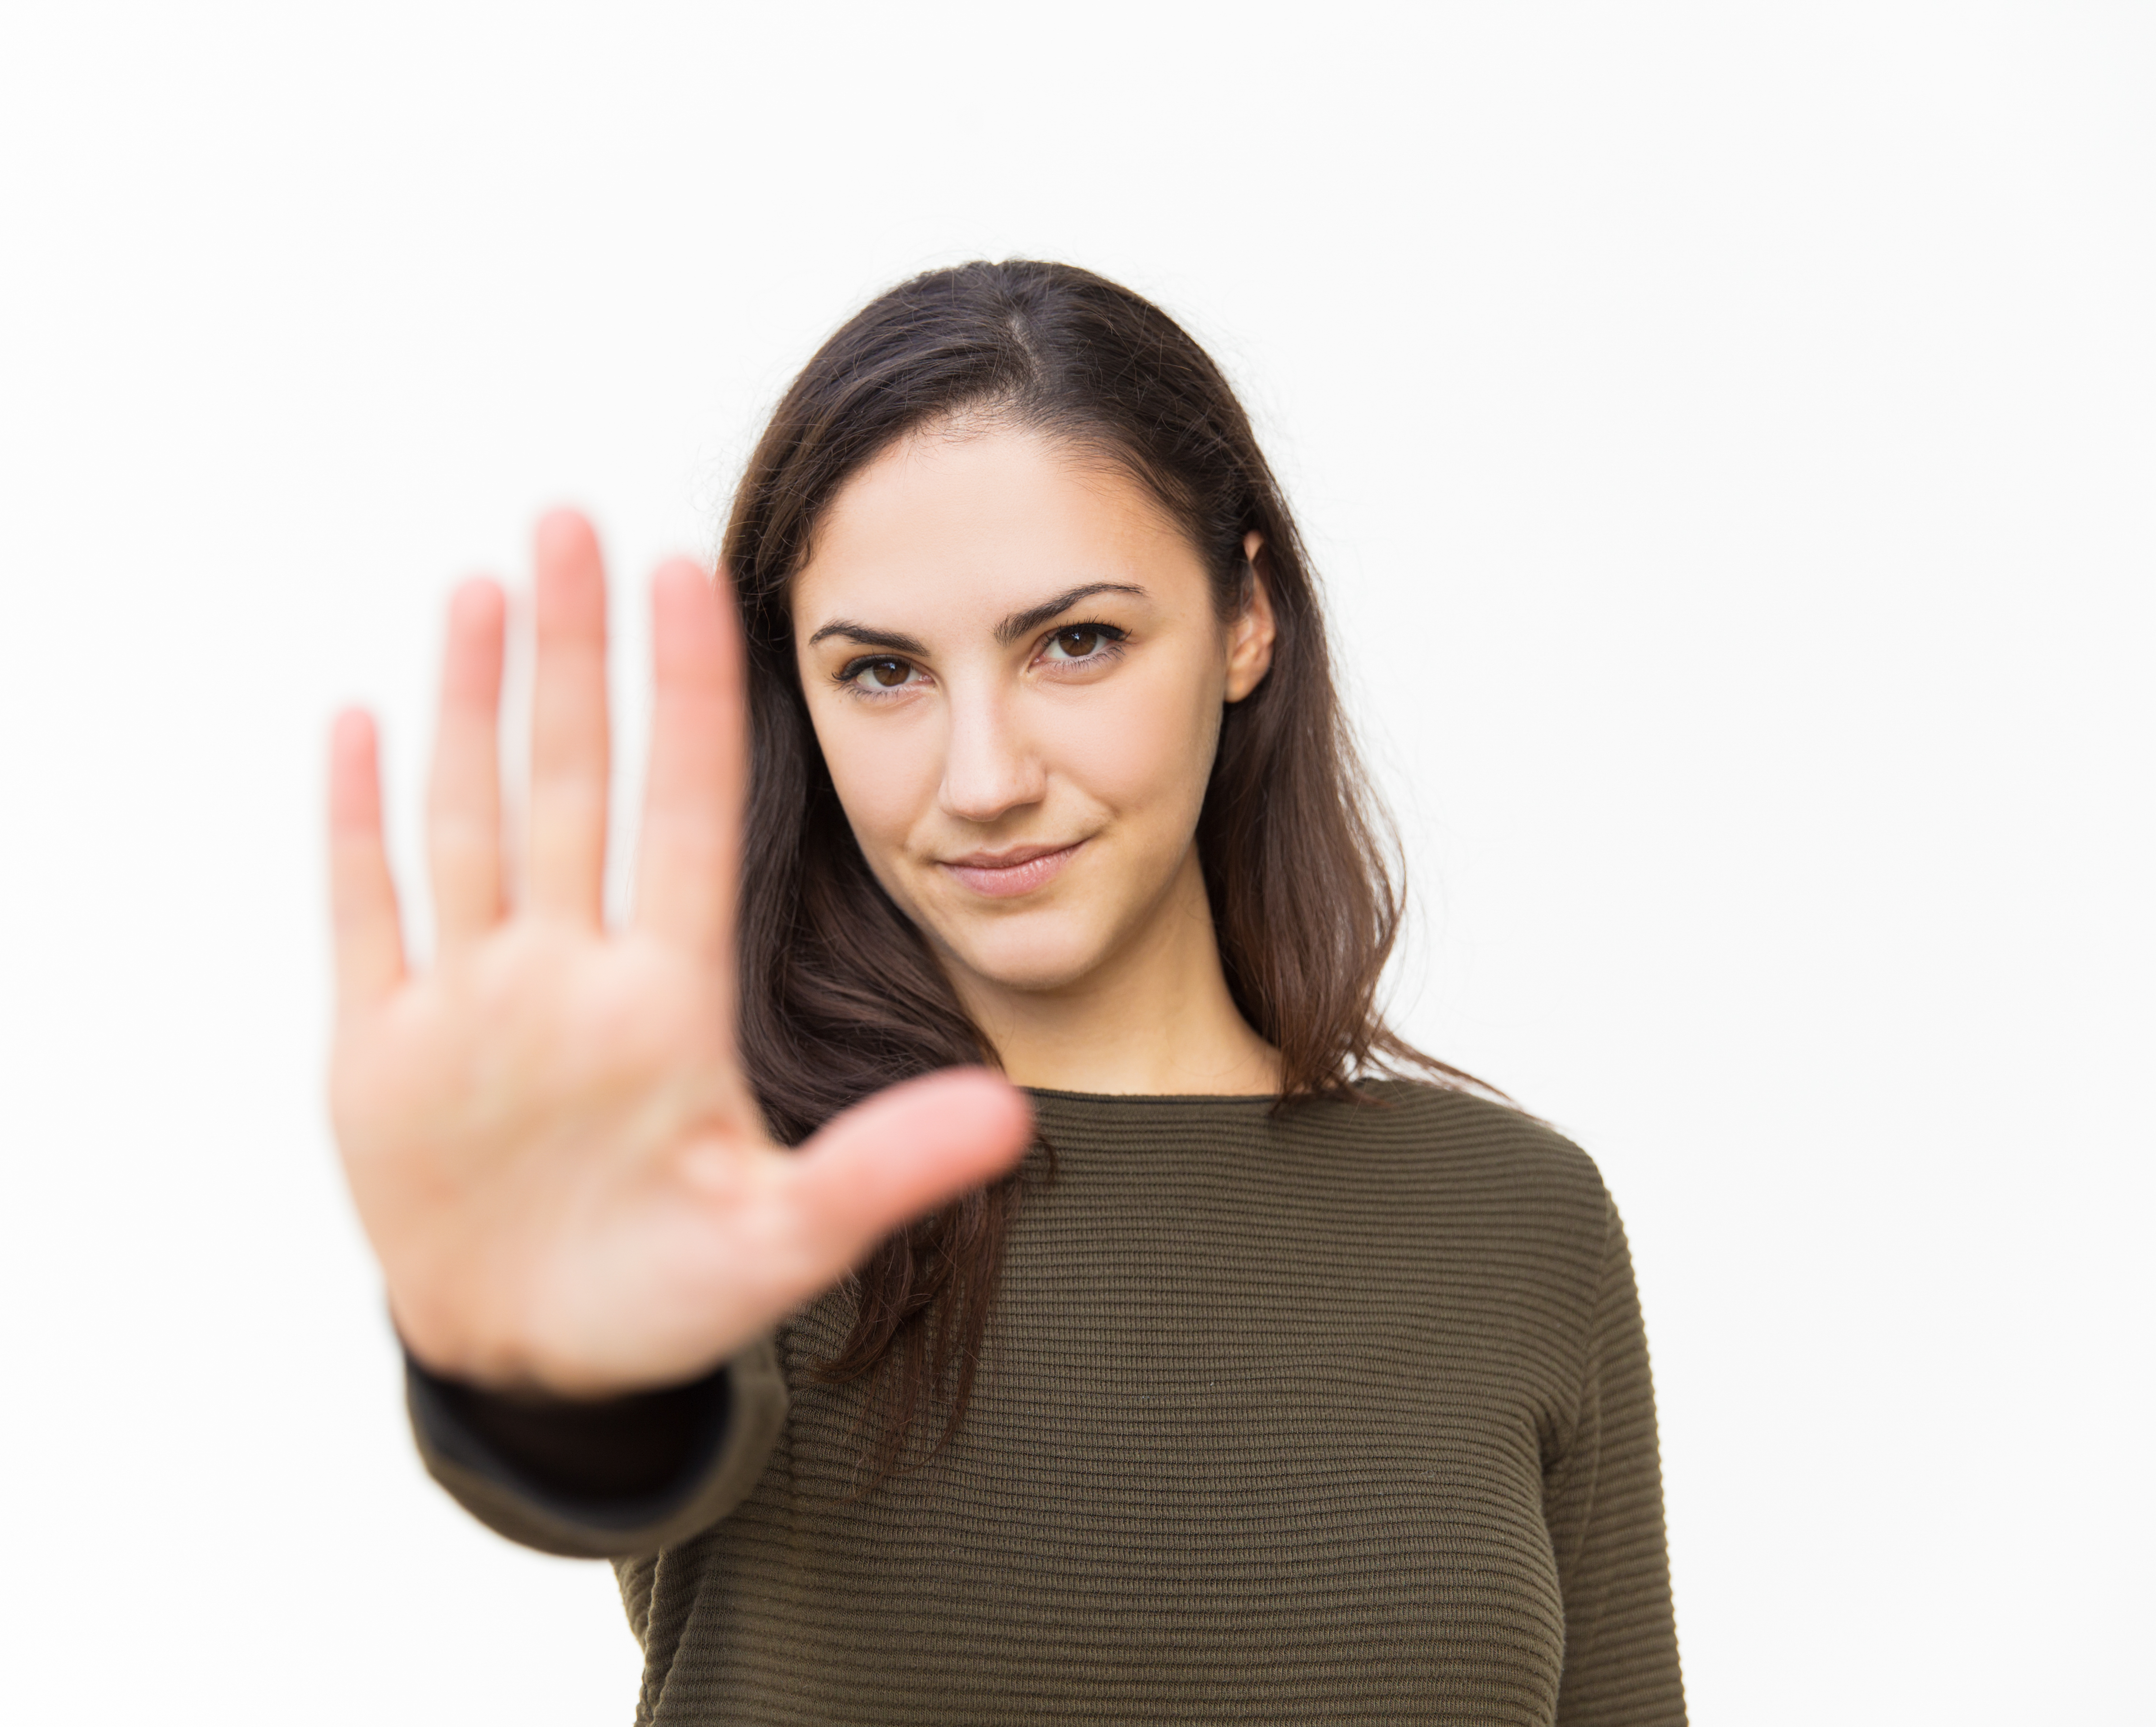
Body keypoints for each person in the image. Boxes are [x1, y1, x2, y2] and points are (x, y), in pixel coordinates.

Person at [322, 260, 1685, 1726]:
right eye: (884, 673)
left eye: (1076, 643)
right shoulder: (750, 1188)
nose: (983, 780)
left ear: (1246, 620)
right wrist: (542, 1361)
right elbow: (617, 1443)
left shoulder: (1515, 1222)